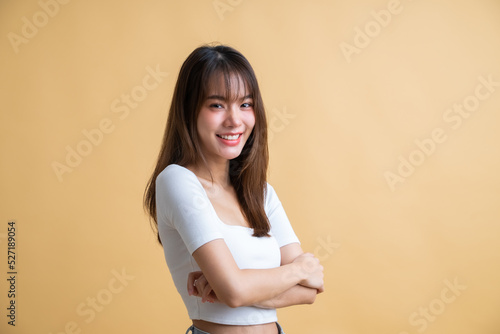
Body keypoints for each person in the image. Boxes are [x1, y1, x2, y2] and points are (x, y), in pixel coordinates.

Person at [144, 44, 324, 334]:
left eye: (245, 104)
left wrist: (238, 288)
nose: (234, 120)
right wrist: (298, 269)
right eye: (217, 104)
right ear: (190, 111)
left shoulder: (261, 193)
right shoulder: (177, 181)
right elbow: (236, 291)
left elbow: (309, 291)